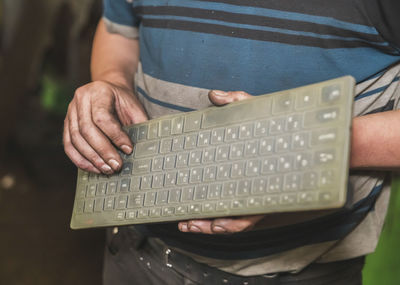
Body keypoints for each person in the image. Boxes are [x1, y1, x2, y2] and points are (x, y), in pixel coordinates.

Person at [63, 0, 400, 284]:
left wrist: (314, 144)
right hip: (134, 249)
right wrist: (112, 80)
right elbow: (119, 27)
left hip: (300, 270)